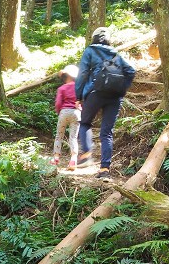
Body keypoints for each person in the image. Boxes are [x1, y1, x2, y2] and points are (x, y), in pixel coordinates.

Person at [75, 27, 135, 176]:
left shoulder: (90, 51)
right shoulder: (116, 54)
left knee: (85, 123)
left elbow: (82, 74)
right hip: (115, 96)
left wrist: (78, 96)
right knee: (107, 133)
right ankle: (104, 169)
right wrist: (122, 88)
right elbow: (131, 71)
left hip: (95, 92)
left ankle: (87, 154)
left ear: (94, 38)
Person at [53, 65, 81, 172]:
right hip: (76, 113)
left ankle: (56, 158)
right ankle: (73, 160)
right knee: (73, 137)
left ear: (65, 76)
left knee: (59, 136)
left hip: (64, 112)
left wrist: (59, 111)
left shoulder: (62, 88)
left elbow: (58, 103)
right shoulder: (78, 87)